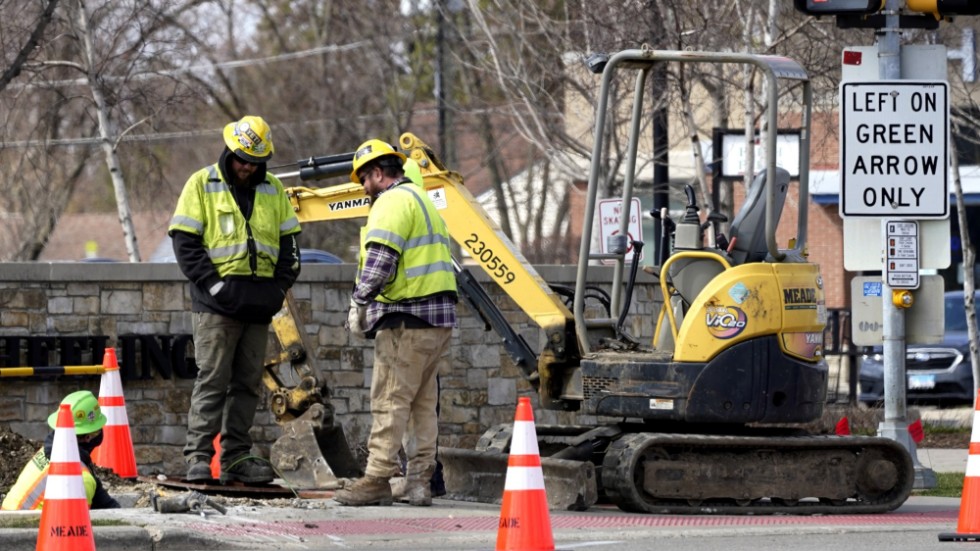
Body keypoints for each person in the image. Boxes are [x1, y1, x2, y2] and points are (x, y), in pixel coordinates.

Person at [168, 115, 301, 484]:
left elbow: (290, 247)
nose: (246, 168)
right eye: (242, 159)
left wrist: (277, 290)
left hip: (259, 306)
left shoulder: (273, 189)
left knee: (246, 384)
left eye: (254, 163)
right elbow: (185, 243)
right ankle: (198, 457)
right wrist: (215, 287)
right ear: (229, 151)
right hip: (216, 307)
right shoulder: (201, 183)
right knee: (212, 380)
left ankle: (237, 457)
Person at [334, 140, 457, 507]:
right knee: (421, 404)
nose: (363, 188)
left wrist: (359, 302)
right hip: (437, 320)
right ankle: (420, 482)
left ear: (377, 173)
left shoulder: (391, 203)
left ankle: (376, 479)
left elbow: (380, 259)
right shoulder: (423, 201)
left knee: (389, 398)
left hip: (406, 319)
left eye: (364, 180)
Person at [2, 390, 120, 510]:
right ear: (88, 437)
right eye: (97, 430)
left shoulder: (48, 451)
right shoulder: (81, 478)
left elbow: (103, 502)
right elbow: (77, 525)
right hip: (29, 526)